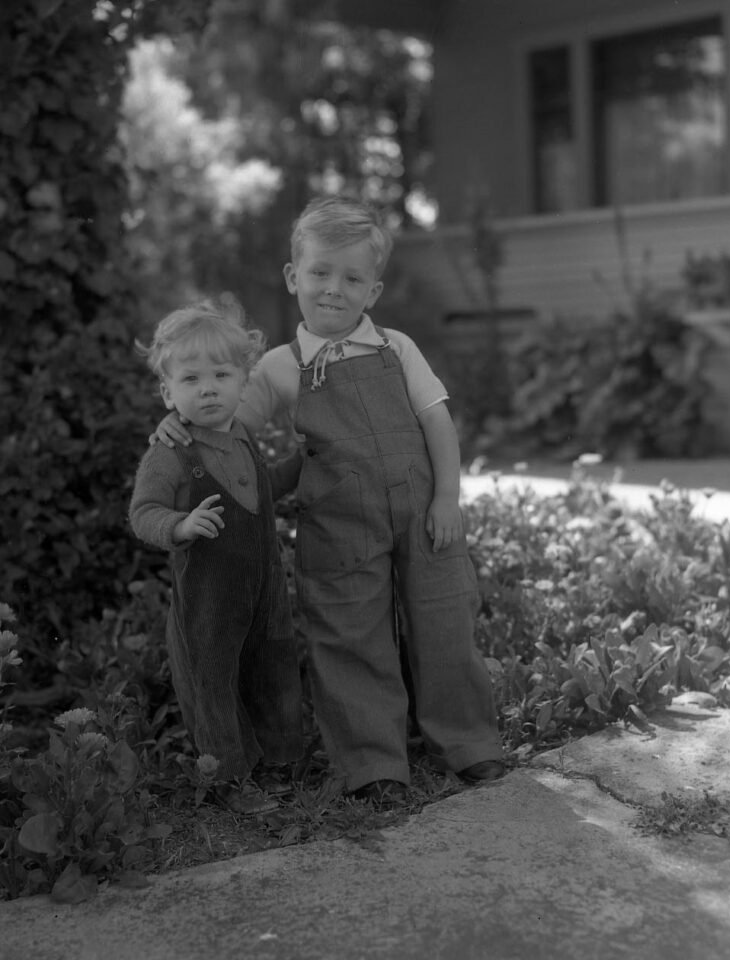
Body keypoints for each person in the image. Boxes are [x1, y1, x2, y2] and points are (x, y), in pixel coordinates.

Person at [154, 197, 505, 805]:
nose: (333, 289)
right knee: (350, 633)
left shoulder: (397, 348)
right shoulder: (280, 366)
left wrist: (448, 496)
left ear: (373, 290)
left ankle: (469, 743)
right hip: (339, 523)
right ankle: (373, 763)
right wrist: (176, 426)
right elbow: (222, 421)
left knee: (444, 621)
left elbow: (437, 422)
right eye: (320, 273)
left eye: (351, 278)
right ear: (294, 277)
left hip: (424, 514)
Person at [130, 298, 303, 815]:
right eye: (190, 379)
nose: (208, 387)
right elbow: (143, 512)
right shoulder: (171, 452)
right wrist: (179, 525)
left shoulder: (242, 435)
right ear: (167, 392)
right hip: (210, 598)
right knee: (214, 681)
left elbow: (260, 489)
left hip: (262, 587)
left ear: (243, 381)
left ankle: (278, 758)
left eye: (221, 374)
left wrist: (302, 465)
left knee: (269, 665)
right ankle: (228, 777)